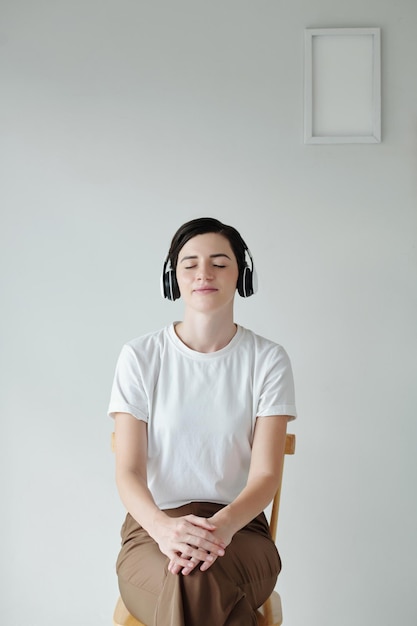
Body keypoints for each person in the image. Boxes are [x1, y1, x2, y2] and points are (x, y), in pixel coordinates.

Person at [108, 217, 297, 626]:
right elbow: (127, 471)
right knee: (192, 580)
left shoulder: (268, 360)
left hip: (241, 531)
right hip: (151, 531)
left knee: (191, 579)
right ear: (172, 278)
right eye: (189, 264)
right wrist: (164, 531)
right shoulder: (140, 357)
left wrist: (221, 528)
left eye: (219, 262)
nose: (204, 274)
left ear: (242, 275)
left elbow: (266, 475)